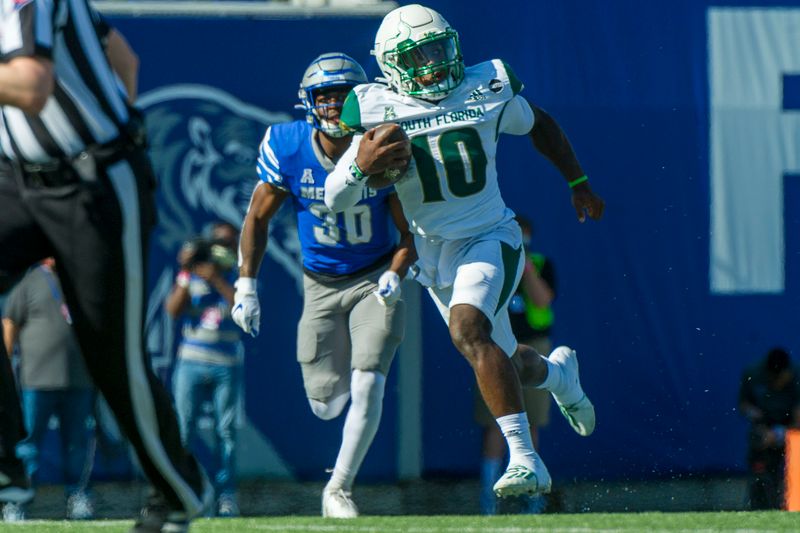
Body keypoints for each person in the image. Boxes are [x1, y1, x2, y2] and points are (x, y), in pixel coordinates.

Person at [324, 3, 604, 499]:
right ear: (390, 67)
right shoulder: (373, 108)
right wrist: (359, 167)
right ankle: (561, 378)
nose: (432, 64)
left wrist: (578, 181)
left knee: (467, 330)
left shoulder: (485, 86)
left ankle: (525, 460)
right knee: (502, 359)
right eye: (417, 57)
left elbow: (538, 123)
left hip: (490, 235)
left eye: (438, 49)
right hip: (434, 255)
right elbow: (335, 198)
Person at [0, 3, 211, 531]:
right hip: (19, 180)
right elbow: (125, 59)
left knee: (111, 355)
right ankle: (7, 464)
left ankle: (180, 490)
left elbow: (30, 85)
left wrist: (111, 144)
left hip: (92, 186)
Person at [232, 52, 415, 518]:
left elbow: (411, 231)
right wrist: (245, 286)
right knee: (326, 405)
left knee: (369, 382)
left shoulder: (384, 144)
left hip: (374, 276)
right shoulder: (288, 145)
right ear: (308, 104)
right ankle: (343, 429)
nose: (334, 106)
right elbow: (257, 215)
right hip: (318, 283)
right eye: (325, 97)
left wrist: (395, 273)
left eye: (343, 96)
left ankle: (339, 488)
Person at [2, 259, 96, 521]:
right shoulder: (29, 281)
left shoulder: (82, 279)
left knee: (77, 443)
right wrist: (5, 369)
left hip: (80, 381)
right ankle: (17, 500)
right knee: (28, 443)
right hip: (36, 381)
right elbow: (10, 323)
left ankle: (77, 497)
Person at [474, 215, 556, 514]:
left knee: (532, 421)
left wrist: (527, 269)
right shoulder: (488, 266)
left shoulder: (542, 263)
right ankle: (488, 499)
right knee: (496, 423)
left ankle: (532, 499)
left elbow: (543, 300)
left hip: (533, 349)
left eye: (524, 237)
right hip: (495, 349)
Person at [165, 222, 243, 517]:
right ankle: (185, 489)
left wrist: (219, 281)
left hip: (226, 363)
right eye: (217, 244)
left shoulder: (240, 275)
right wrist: (187, 272)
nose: (221, 250)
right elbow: (172, 310)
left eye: (228, 244)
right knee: (184, 428)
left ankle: (226, 495)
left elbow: (242, 309)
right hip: (191, 360)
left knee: (226, 432)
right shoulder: (193, 276)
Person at [739, 348, 800, 509]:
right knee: (759, 453)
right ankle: (759, 504)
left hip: (792, 430)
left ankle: (793, 504)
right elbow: (744, 405)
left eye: (780, 378)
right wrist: (761, 425)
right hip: (764, 427)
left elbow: (798, 419)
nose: (776, 382)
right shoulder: (753, 375)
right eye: (773, 378)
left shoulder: (798, 378)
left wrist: (780, 435)